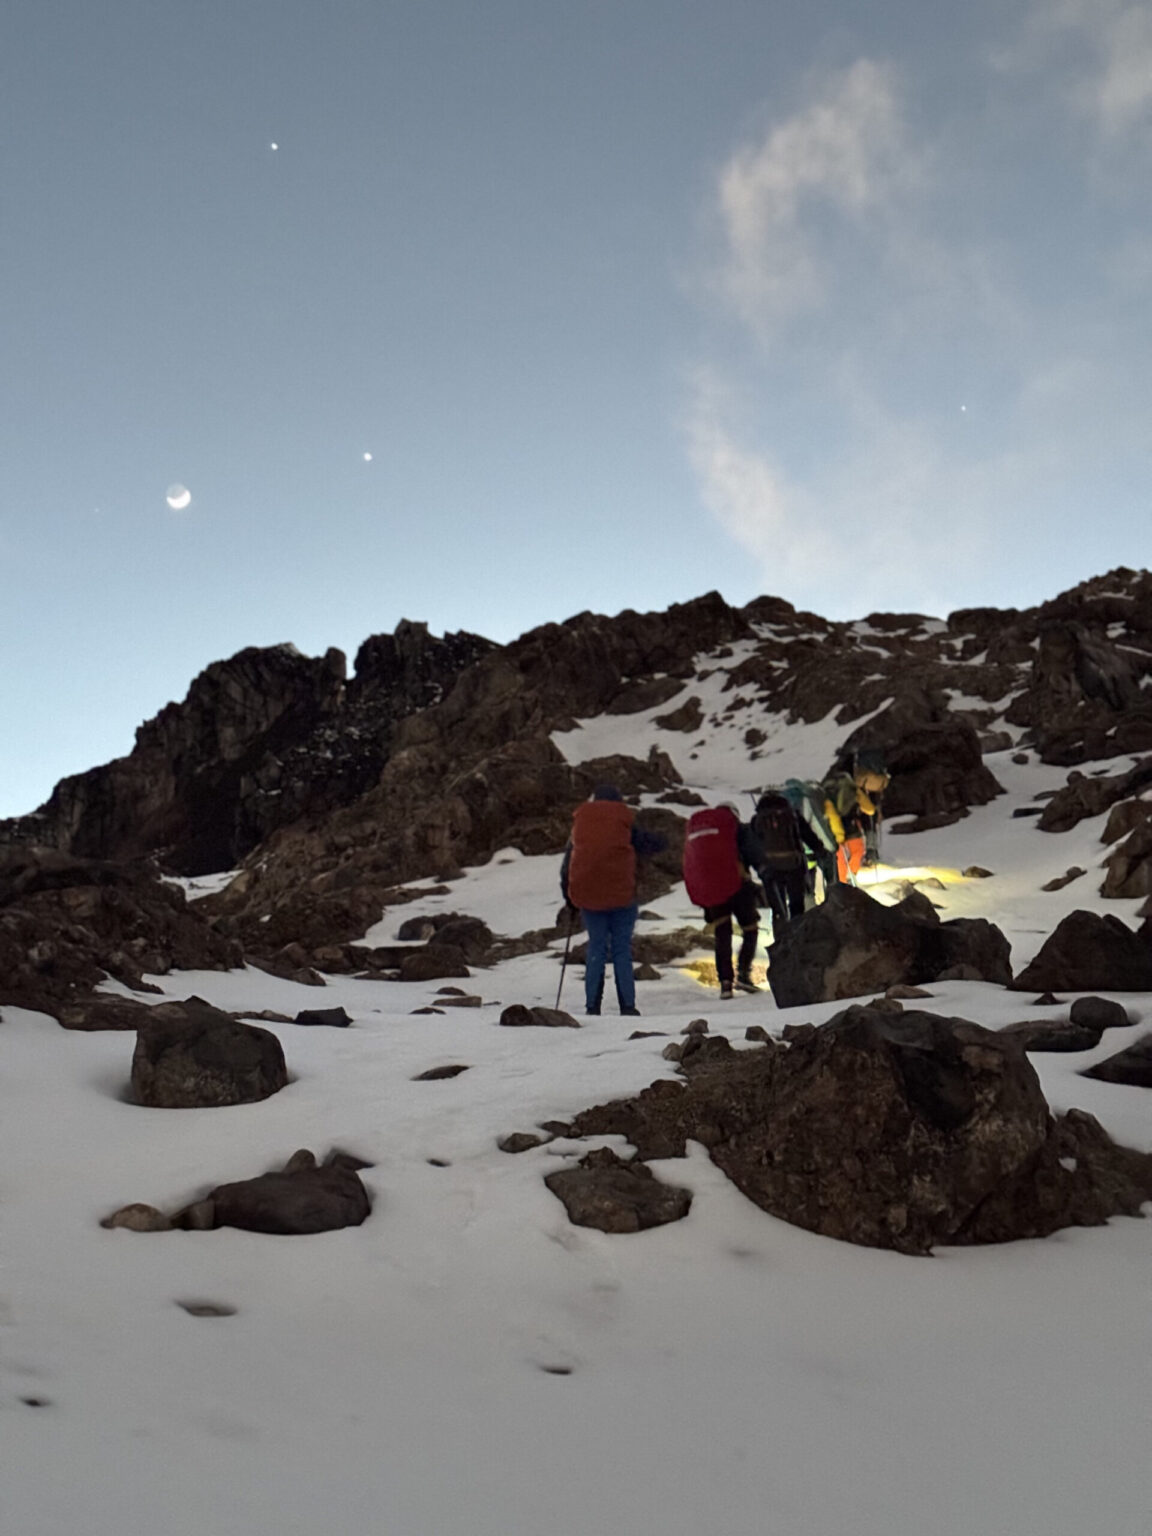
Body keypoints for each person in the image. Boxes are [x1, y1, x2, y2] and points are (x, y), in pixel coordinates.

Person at [560, 784, 665, 1017]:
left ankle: (592, 1006)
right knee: (621, 950)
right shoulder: (623, 820)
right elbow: (648, 844)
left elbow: (568, 864)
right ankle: (627, 1006)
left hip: (589, 897)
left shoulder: (581, 823)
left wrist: (569, 898)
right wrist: (664, 840)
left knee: (596, 948)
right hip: (622, 896)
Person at [683, 802, 764, 999]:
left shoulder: (701, 832)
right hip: (737, 885)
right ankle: (744, 973)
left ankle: (725, 983)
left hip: (712, 889)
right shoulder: (736, 828)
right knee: (750, 928)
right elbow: (753, 852)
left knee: (722, 933)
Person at [752, 791, 828, 927]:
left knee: (778, 909)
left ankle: (780, 940)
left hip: (770, 870)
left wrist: (758, 867)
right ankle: (798, 937)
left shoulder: (757, 819)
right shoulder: (792, 815)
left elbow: (753, 846)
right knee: (796, 904)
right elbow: (807, 835)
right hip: (794, 865)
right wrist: (820, 850)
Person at [821, 754, 889, 882]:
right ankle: (851, 876)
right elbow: (869, 809)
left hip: (832, 827)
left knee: (839, 856)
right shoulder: (852, 789)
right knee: (857, 851)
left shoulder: (827, 790)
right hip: (851, 825)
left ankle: (841, 882)